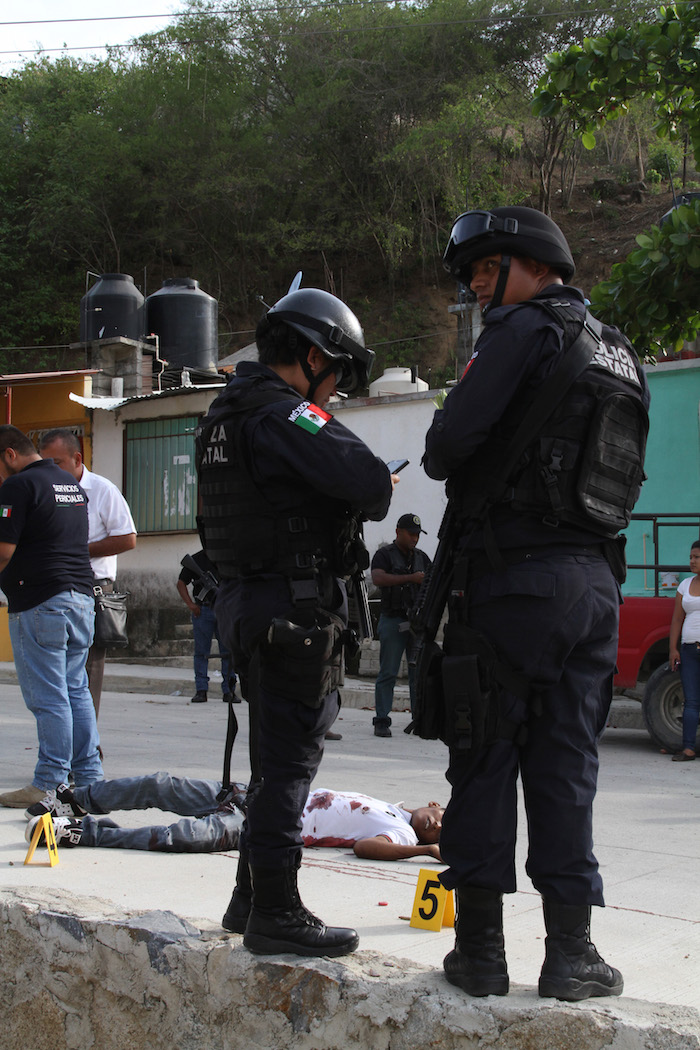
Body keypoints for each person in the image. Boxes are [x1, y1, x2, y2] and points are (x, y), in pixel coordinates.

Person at [423, 206, 649, 1002]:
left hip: (516, 581)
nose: (480, 289)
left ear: (530, 263)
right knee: (567, 768)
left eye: (487, 271)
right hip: (595, 585)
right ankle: (572, 954)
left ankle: (481, 954)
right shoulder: (621, 351)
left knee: (485, 756)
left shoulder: (520, 333)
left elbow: (447, 450)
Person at [196, 283, 394, 958]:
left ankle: (249, 897)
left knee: (272, 759)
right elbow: (366, 478)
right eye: (337, 374)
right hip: (292, 614)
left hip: (250, 609)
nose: (334, 393)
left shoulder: (223, 415)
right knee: (288, 767)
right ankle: (277, 912)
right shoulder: (285, 415)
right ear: (313, 356)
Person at [0, 425, 103, 809]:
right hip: (79, 600)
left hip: (40, 601)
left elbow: (3, 551)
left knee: (49, 697)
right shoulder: (67, 482)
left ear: (9, 455)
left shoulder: (17, 486)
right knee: (75, 691)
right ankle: (90, 781)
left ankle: (49, 782)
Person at [24, 778, 444, 867]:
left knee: (179, 838)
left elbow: (366, 848)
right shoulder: (394, 806)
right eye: (443, 817)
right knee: (161, 786)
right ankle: (74, 799)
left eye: (442, 832)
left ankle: (82, 834)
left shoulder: (402, 833)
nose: (437, 825)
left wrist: (423, 850)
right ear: (434, 803)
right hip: (248, 794)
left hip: (258, 826)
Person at [38, 428, 137, 718]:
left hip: (92, 587)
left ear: (77, 458)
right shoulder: (48, 490)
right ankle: (67, 739)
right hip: (56, 586)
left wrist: (77, 551)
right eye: (45, 465)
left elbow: (127, 538)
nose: (50, 471)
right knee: (58, 671)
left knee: (88, 670)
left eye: (55, 463)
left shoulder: (102, 489)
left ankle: (87, 744)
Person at [371, 513, 432, 737]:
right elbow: (378, 578)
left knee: (418, 674)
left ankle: (419, 718)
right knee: (388, 672)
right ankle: (381, 720)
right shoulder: (384, 555)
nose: (415, 539)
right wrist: (410, 578)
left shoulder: (422, 558)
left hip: (417, 623)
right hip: (394, 619)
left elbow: (432, 583)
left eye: (417, 535)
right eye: (411, 534)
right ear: (398, 532)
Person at [176, 549, 236, 704]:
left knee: (228, 650)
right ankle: (201, 690)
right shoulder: (196, 560)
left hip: (224, 610)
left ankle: (229, 690)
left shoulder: (227, 557)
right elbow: (181, 583)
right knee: (202, 652)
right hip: (203, 609)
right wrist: (190, 604)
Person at [668, 540, 700, 761]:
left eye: (697, 557)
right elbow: (677, 619)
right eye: (691, 557)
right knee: (691, 701)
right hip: (689, 650)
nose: (692, 561)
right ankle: (688, 748)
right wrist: (673, 649)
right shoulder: (684, 585)